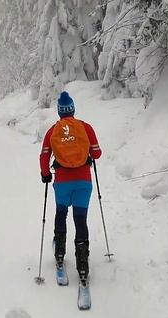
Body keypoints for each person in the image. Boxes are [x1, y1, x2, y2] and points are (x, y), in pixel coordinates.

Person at [39, 91, 102, 286]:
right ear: (73, 109)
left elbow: (43, 156)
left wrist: (46, 174)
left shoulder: (52, 131)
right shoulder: (85, 127)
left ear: (59, 112)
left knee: (61, 214)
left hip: (62, 183)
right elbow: (97, 153)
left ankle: (59, 254)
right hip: (84, 182)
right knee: (80, 220)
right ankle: (82, 265)